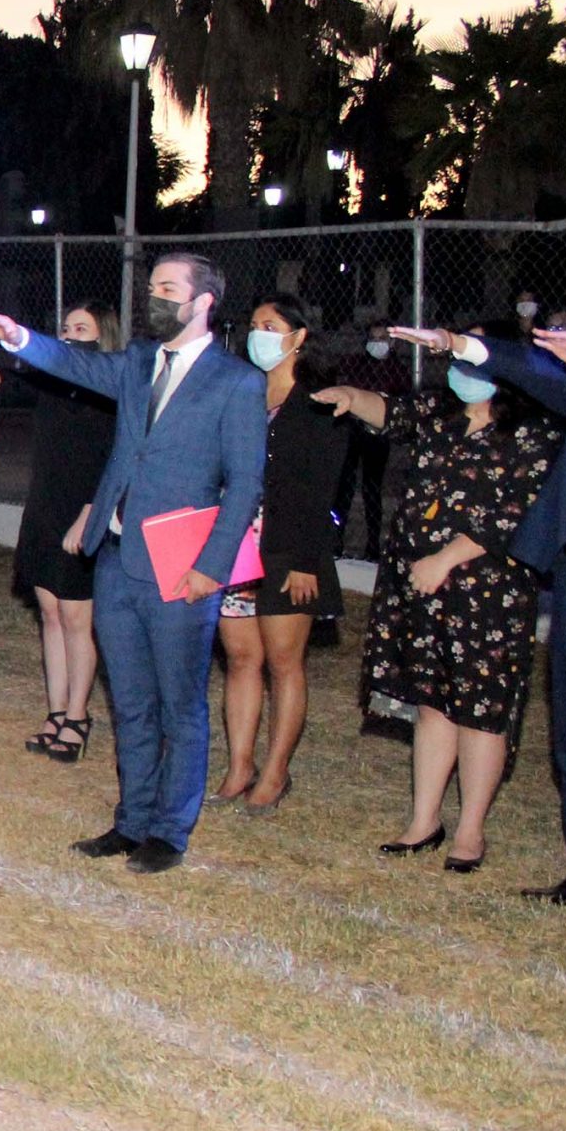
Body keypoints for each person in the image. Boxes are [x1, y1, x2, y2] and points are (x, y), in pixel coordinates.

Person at [0, 254, 268, 876]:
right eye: (152, 286)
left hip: (181, 566)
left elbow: (245, 485)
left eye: (168, 288)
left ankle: (170, 830)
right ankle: (132, 820)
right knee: (130, 701)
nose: (154, 297)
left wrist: (211, 567)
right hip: (116, 557)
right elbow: (76, 362)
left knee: (179, 706)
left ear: (203, 302)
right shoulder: (138, 361)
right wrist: (21, 338)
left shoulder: (237, 381)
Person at [383, 321, 566, 901]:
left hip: (493, 588)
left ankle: (472, 831)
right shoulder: (453, 418)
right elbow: (399, 419)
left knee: (483, 711)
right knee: (442, 704)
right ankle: (427, 823)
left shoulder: (536, 432)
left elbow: (516, 510)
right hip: (481, 583)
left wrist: (449, 557)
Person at [209, 295, 351, 816]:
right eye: (253, 325)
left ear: (299, 336)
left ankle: (275, 772)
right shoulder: (243, 391)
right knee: (241, 659)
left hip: (290, 548)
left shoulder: (319, 402)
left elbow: (324, 489)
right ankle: (239, 766)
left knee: (284, 663)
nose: (258, 334)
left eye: (270, 326)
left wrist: (307, 559)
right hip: (238, 543)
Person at [7, 302, 120, 763]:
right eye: (67, 328)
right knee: (50, 614)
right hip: (45, 507)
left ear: (103, 337)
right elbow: (6, 384)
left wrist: (90, 514)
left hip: (84, 511)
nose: (71, 336)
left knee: (76, 619)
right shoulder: (51, 384)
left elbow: (113, 462)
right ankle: (56, 711)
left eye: (82, 329)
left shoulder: (111, 393)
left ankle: (78, 716)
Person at [328, 317, 409, 562]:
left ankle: (373, 546)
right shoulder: (358, 366)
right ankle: (336, 541)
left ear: (392, 343)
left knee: (372, 488)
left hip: (378, 436)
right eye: (373, 338)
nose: (377, 343)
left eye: (382, 338)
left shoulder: (398, 371)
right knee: (344, 488)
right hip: (353, 431)